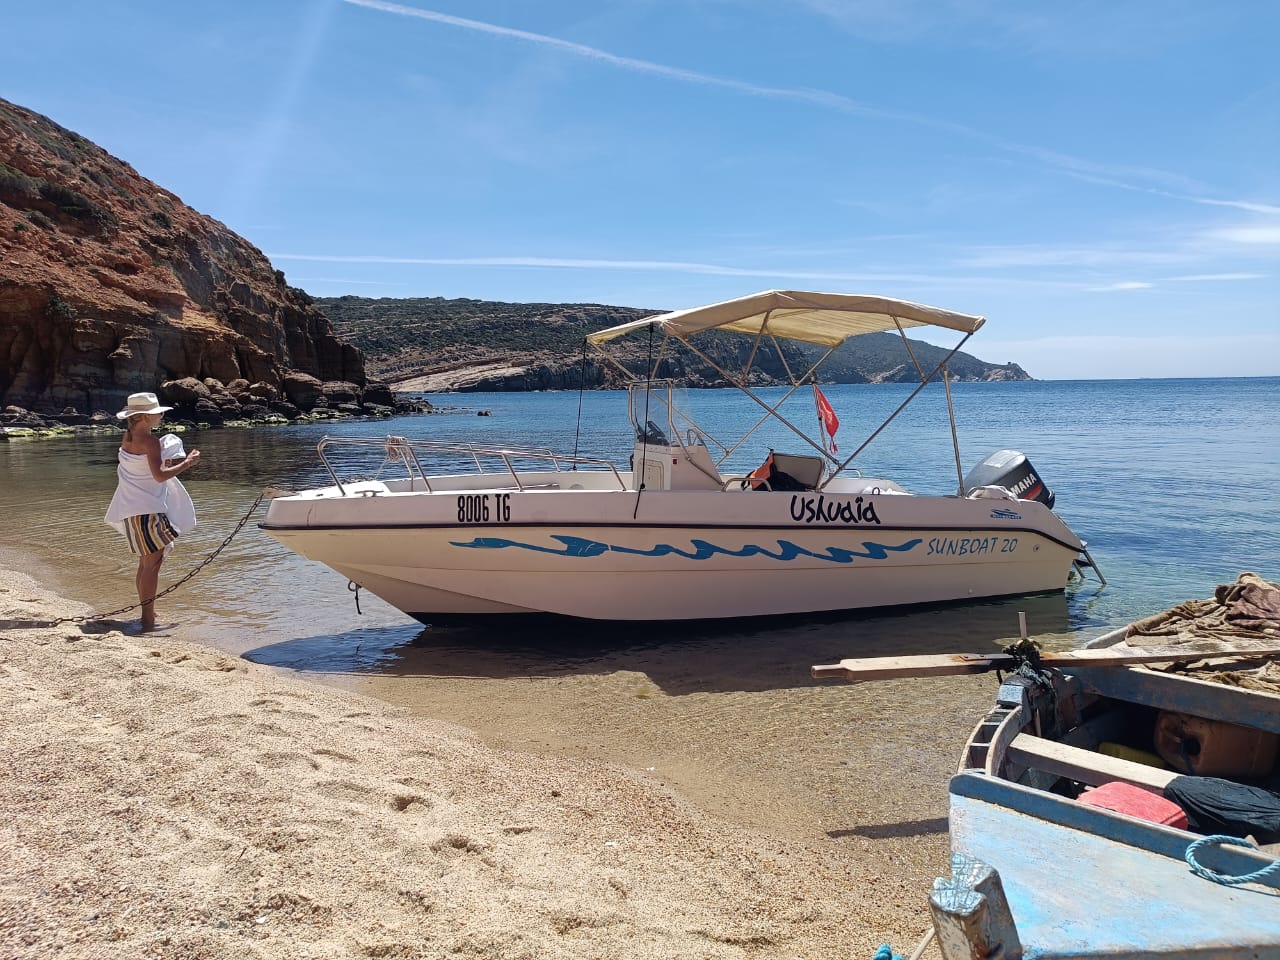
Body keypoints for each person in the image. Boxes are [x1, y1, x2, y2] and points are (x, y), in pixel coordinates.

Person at [104, 392, 201, 632]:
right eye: (158, 412)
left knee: (145, 564)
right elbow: (159, 477)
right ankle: (147, 619)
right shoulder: (149, 441)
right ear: (146, 417)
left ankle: (148, 612)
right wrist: (187, 463)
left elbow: (142, 471)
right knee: (152, 565)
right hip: (147, 510)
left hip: (133, 508)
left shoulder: (127, 436)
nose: (161, 415)